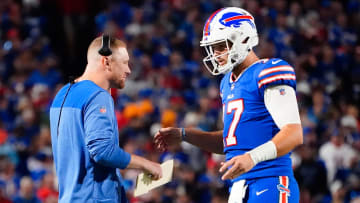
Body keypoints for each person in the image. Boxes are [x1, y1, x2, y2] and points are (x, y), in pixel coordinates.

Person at [154, 7, 303, 203]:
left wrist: (252, 157)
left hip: (270, 181)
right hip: (240, 187)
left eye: (221, 46)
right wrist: (184, 134)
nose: (216, 55)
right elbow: (231, 141)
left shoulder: (268, 71)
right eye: (212, 48)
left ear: (243, 38)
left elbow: (294, 133)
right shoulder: (227, 82)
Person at [50, 35, 162, 202]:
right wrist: (146, 164)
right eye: (124, 62)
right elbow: (102, 152)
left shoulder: (62, 93)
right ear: (106, 62)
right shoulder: (97, 96)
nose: (128, 70)